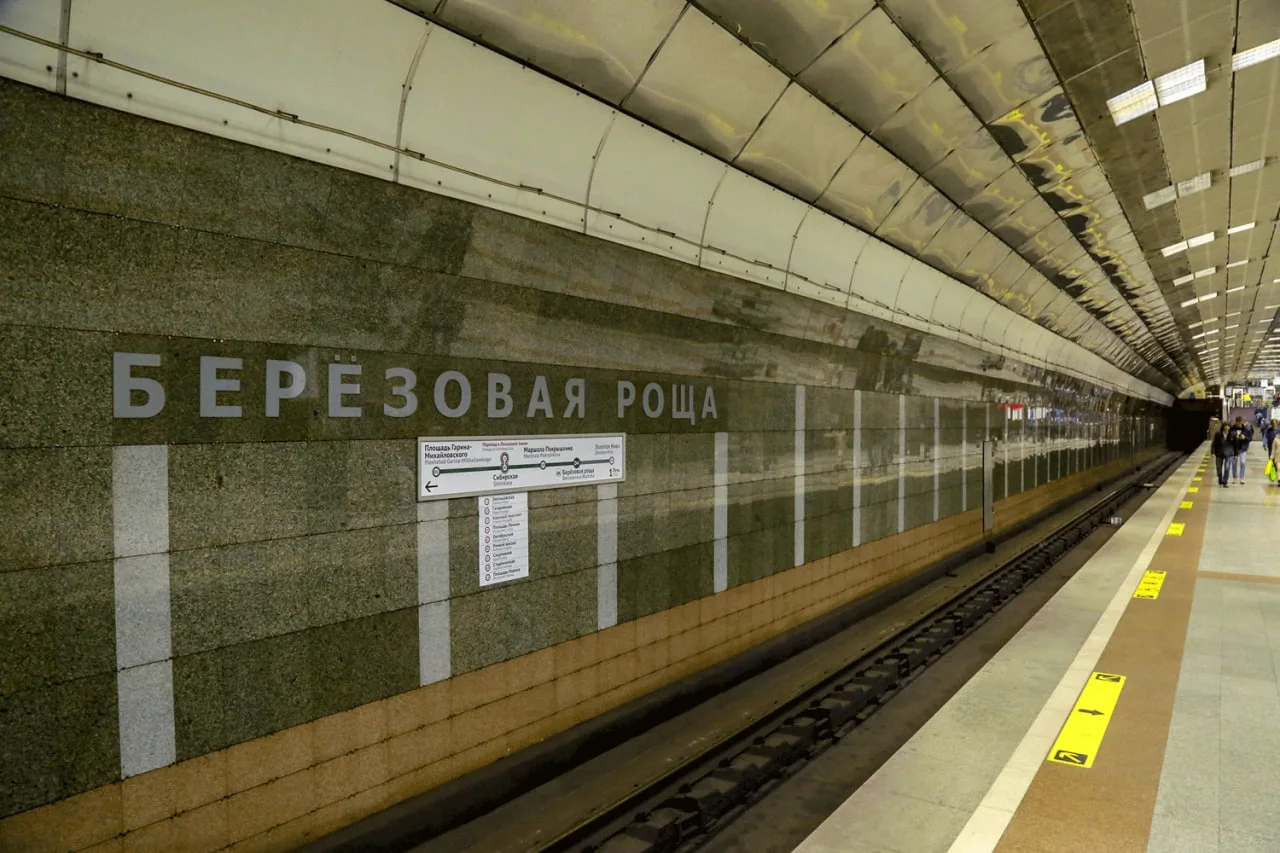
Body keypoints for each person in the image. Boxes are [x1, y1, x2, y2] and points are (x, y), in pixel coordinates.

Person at [1213, 422, 1234, 487]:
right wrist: (1212, 452)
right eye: (1225, 426)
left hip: (1228, 453)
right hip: (1219, 453)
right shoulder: (1218, 434)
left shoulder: (1232, 434)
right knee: (1218, 468)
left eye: (1228, 426)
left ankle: (1225, 482)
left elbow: (1235, 444)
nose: (1227, 427)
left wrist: (1236, 454)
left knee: (1227, 467)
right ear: (1223, 427)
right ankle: (1220, 478)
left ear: (1230, 427)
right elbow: (1214, 443)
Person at [1234, 416, 1254, 483]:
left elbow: (1250, 438)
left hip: (1243, 448)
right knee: (1234, 464)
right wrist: (1234, 437)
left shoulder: (1246, 428)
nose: (1239, 424)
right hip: (1234, 448)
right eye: (1237, 422)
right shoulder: (1233, 428)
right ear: (1236, 422)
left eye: (1240, 422)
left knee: (1242, 462)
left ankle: (1241, 477)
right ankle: (1235, 477)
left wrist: (1245, 438)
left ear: (1242, 422)